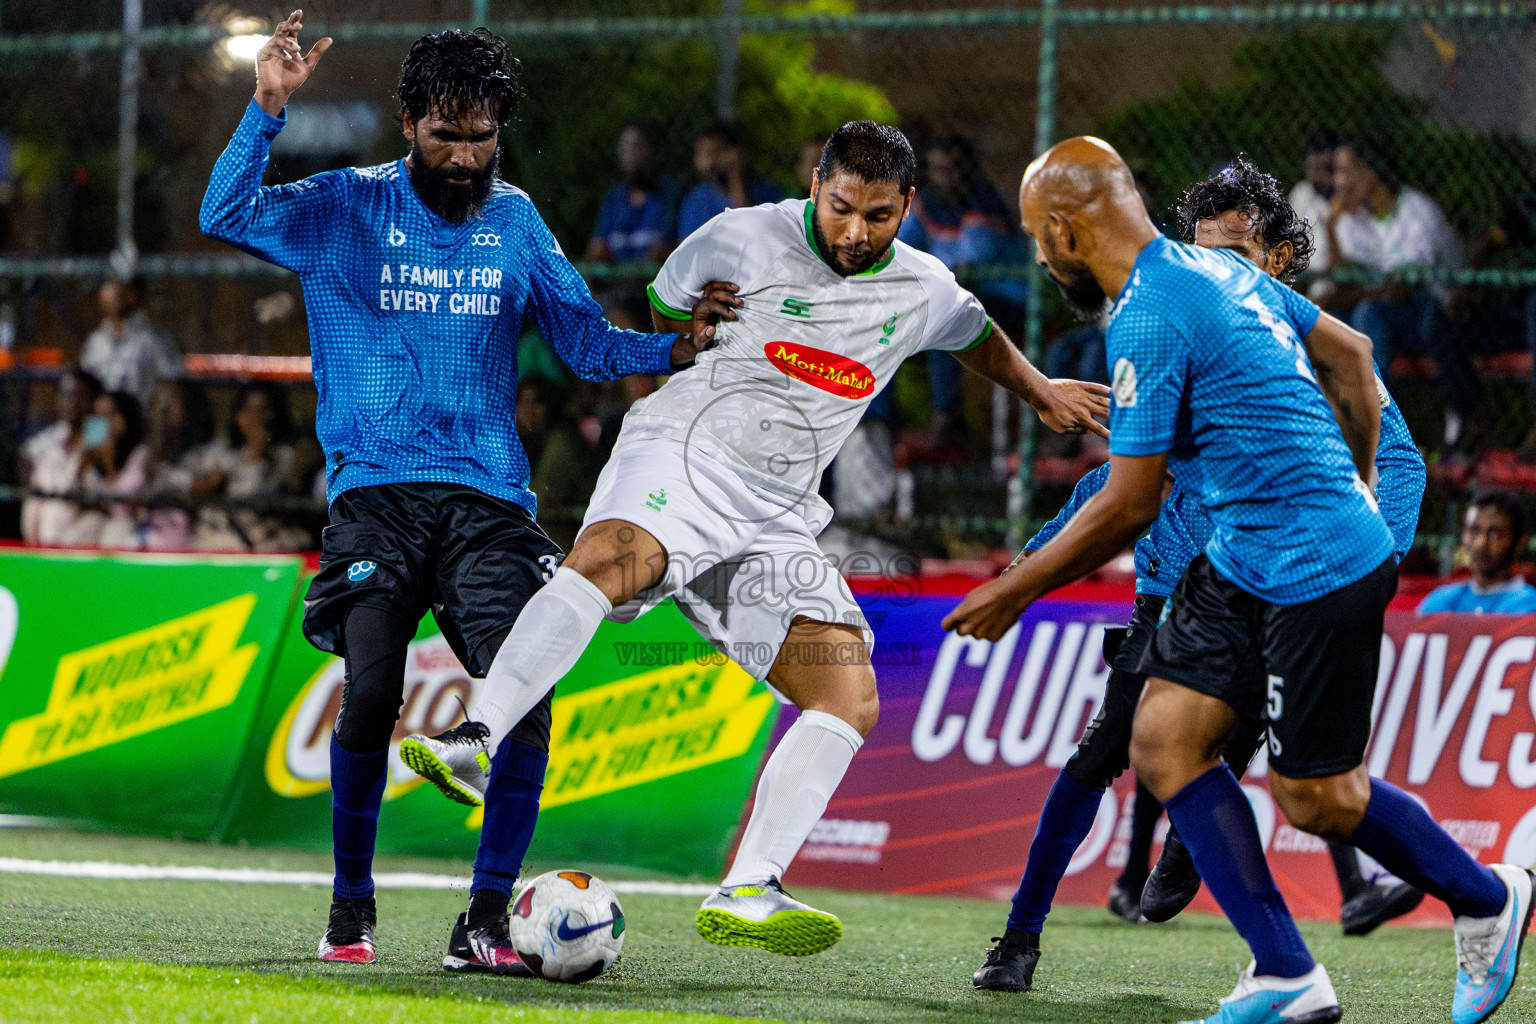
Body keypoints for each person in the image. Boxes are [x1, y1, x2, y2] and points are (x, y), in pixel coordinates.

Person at [401, 120, 1110, 957]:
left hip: (776, 512)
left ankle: (751, 884)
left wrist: (1036, 391)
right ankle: (476, 738)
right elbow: (667, 309)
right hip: (685, 451)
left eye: (878, 216)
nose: (855, 232)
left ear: (907, 208)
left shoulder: (920, 285)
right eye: (841, 207)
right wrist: (693, 326)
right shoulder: (739, 235)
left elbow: (972, 329)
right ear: (816, 184)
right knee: (615, 560)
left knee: (850, 693)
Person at [946, 136, 1529, 1024]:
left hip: (1314, 567)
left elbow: (1133, 499)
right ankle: (1286, 974)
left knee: (1318, 800)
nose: (1035, 251)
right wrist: (1356, 477)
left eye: (1034, 233)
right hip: (1241, 559)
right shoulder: (1214, 273)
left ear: (1064, 230)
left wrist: (1013, 590)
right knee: (1163, 739)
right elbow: (1355, 355)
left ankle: (1487, 897)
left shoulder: (1148, 313)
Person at [200, 13, 713, 971]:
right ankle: (351, 911)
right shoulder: (341, 205)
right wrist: (266, 109)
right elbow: (222, 214)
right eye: (447, 133)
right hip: (374, 498)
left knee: (527, 694)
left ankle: (481, 925)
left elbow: (588, 343)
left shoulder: (515, 220)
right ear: (407, 123)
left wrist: (676, 348)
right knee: (372, 693)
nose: (467, 154)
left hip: (488, 505)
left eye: (483, 136)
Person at [1324, 140, 1477, 446]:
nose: (1338, 182)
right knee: (1331, 315)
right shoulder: (1355, 219)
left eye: (1345, 171)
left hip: (1441, 315)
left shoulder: (1416, 210)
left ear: (1372, 173)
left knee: (1368, 311)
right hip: (1390, 317)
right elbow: (1342, 281)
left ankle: (1377, 426)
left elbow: (1402, 289)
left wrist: (1354, 293)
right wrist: (1331, 226)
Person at [899, 135, 1031, 442]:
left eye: (952, 169)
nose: (944, 178)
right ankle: (882, 422)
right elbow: (896, 251)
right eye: (936, 169)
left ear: (968, 171)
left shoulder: (984, 204)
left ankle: (948, 417)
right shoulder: (927, 204)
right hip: (955, 296)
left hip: (1006, 302)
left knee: (946, 315)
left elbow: (965, 270)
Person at [20, 367, 102, 545]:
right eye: (67, 395)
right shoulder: (55, 436)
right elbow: (25, 455)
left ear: (95, 400)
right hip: (43, 540)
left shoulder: (99, 433)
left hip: (83, 541)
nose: (72, 402)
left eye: (80, 396)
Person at [1419, 491, 1536, 615]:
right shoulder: (1440, 601)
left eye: (1495, 533)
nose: (1481, 543)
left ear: (1520, 543)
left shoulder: (1529, 606)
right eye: (1474, 531)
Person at [79, 275, 183, 412]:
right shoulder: (95, 341)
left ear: (136, 294)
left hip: (136, 424)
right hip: (98, 424)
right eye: (109, 285)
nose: (116, 292)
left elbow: (172, 389)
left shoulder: (152, 338)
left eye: (122, 286)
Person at [584, 124, 678, 267]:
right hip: (615, 286)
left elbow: (665, 251)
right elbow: (597, 248)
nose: (630, 154)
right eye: (624, 148)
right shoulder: (614, 198)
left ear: (651, 150)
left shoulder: (670, 194)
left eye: (636, 147)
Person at [675, 122, 782, 240]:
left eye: (715, 152)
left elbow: (754, 235)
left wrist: (735, 177)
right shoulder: (697, 198)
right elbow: (688, 247)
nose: (709, 162)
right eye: (702, 154)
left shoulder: (766, 191)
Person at [79, 390, 151, 548]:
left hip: (132, 526)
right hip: (100, 522)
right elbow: (78, 499)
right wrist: (84, 459)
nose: (102, 424)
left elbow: (122, 507)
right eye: (97, 417)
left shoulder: (141, 455)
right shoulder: (89, 457)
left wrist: (109, 465)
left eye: (109, 415)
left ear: (125, 418)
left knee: (115, 530)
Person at [1289, 128, 1340, 280]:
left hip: (1337, 279)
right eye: (1315, 169)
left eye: (1327, 169)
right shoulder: (1301, 193)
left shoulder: (1347, 196)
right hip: (1305, 278)